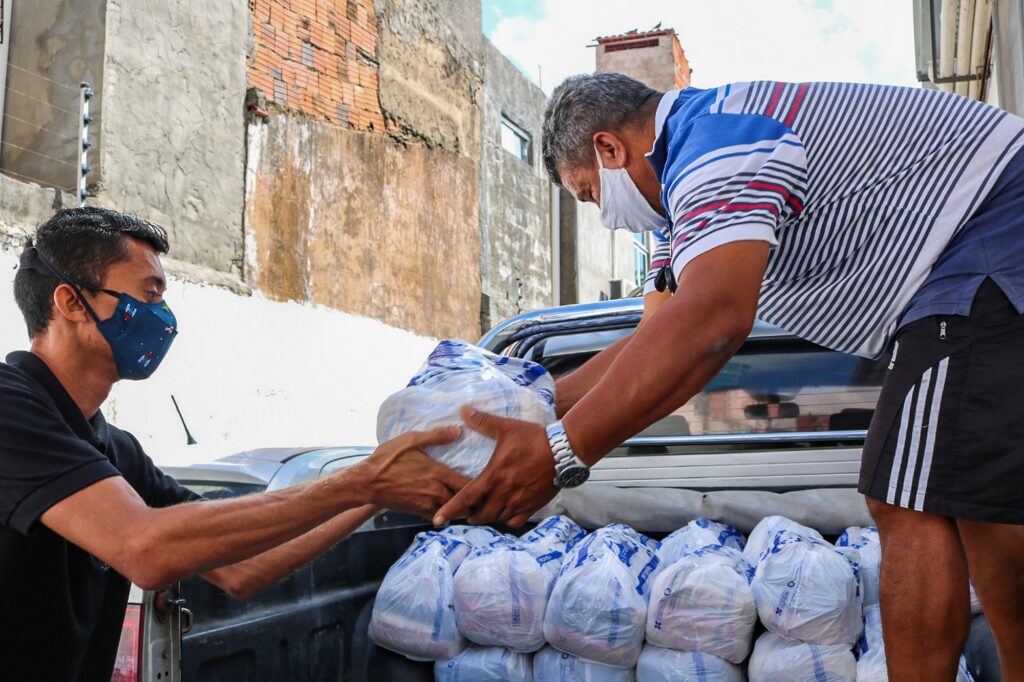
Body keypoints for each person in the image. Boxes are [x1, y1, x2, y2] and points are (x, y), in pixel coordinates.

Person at [435, 74, 1024, 680]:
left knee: (904, 499)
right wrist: (534, 397)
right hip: (971, 263)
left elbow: (713, 321)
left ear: (610, 150)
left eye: (589, 195)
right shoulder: (676, 212)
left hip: (991, 238)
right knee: (961, 496)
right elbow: (656, 337)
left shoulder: (713, 144)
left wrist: (558, 452)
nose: (605, 218)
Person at [0, 207, 469, 681]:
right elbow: (143, 547)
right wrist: (361, 480)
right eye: (149, 293)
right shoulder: (9, 406)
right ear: (72, 302)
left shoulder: (116, 451)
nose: (163, 315)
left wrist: (374, 491)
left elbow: (243, 568)